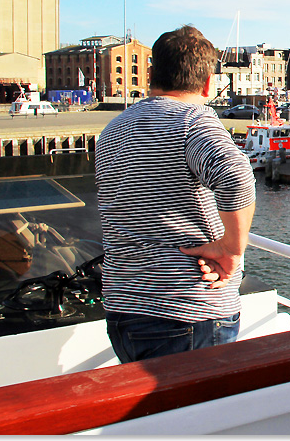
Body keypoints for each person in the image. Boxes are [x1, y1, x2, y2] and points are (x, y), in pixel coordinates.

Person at [96, 25, 256, 364]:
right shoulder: (193, 121)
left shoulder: (113, 129)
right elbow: (237, 178)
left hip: (124, 310)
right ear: (209, 82)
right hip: (187, 310)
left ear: (152, 75)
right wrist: (231, 249)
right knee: (200, 415)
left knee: (159, 415)